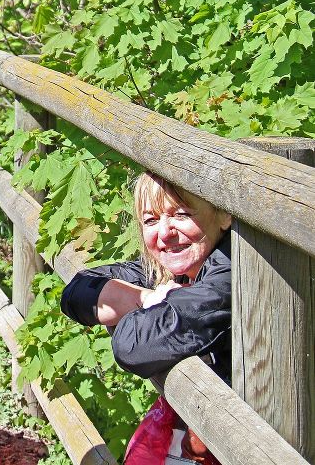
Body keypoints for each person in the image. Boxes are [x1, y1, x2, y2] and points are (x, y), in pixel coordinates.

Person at [60, 171, 231, 462]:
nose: (165, 233)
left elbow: (133, 344)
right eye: (151, 220)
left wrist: (145, 310)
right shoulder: (176, 267)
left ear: (224, 215)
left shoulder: (233, 273)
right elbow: (77, 293)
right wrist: (146, 298)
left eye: (182, 214)